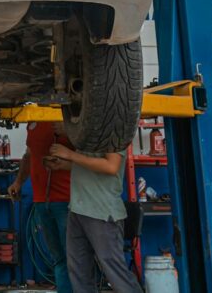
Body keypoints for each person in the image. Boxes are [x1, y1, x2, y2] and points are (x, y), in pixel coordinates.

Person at [48, 143, 143, 293]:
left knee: (115, 272)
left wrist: (71, 155)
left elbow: (111, 166)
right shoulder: (89, 132)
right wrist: (65, 164)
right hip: (78, 209)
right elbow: (90, 166)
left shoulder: (114, 126)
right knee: (79, 273)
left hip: (102, 211)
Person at [8, 122, 73, 293]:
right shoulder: (33, 121)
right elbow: (29, 156)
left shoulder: (68, 120)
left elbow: (89, 154)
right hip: (42, 202)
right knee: (58, 258)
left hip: (68, 201)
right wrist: (18, 182)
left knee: (73, 257)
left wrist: (70, 131)